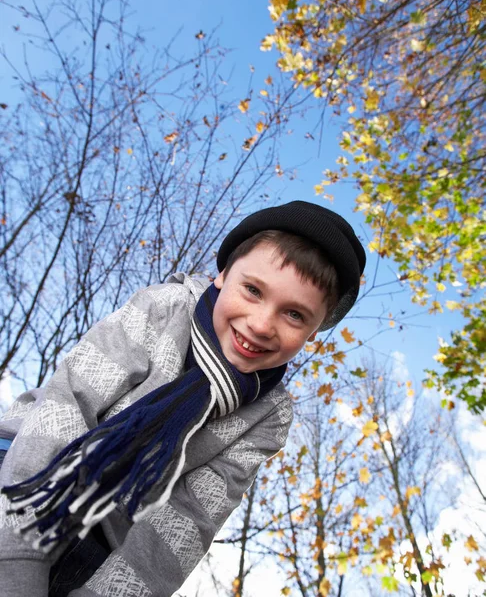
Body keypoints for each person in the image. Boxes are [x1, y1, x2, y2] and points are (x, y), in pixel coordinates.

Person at [0, 200, 366, 597]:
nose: (261, 325)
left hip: (100, 544)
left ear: (313, 333)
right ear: (222, 275)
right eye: (253, 290)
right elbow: (70, 401)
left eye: (294, 315)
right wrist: (19, 550)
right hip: (22, 470)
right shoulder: (165, 309)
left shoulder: (269, 414)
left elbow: (190, 519)